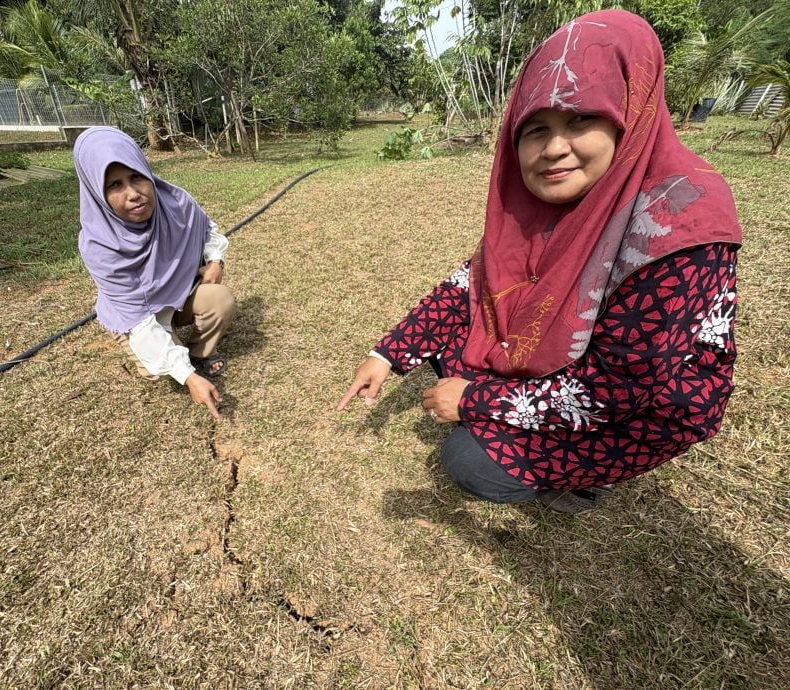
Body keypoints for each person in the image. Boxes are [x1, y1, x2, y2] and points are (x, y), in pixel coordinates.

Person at [337, 10, 742, 513]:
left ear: (630, 112)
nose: (554, 149)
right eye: (536, 129)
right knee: (451, 347)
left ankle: (582, 481)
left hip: (641, 409)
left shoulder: (681, 225)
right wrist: (386, 355)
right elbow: (470, 287)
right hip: (560, 358)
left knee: (471, 461)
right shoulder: (547, 200)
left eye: (581, 119)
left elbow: (619, 390)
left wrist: (473, 400)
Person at [75, 127, 236, 420]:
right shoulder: (98, 246)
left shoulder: (175, 202)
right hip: (139, 316)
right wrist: (186, 376)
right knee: (154, 369)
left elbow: (208, 230)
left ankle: (198, 353)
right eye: (115, 185)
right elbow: (141, 322)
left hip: (180, 294)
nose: (134, 194)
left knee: (220, 300)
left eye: (137, 177)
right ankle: (144, 344)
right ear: (97, 192)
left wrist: (216, 262)